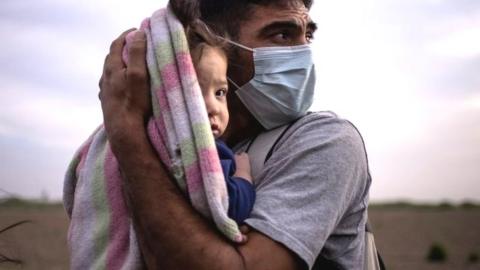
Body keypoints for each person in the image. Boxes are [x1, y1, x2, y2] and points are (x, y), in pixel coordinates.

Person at [99, 0, 372, 269]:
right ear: (217, 44)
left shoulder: (325, 140)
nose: (303, 54)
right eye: (282, 35)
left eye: (308, 36)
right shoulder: (179, 141)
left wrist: (127, 134)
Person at [186, 22, 255, 224]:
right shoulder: (210, 151)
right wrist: (243, 175)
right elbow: (232, 206)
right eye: (194, 92)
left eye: (220, 93)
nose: (214, 107)